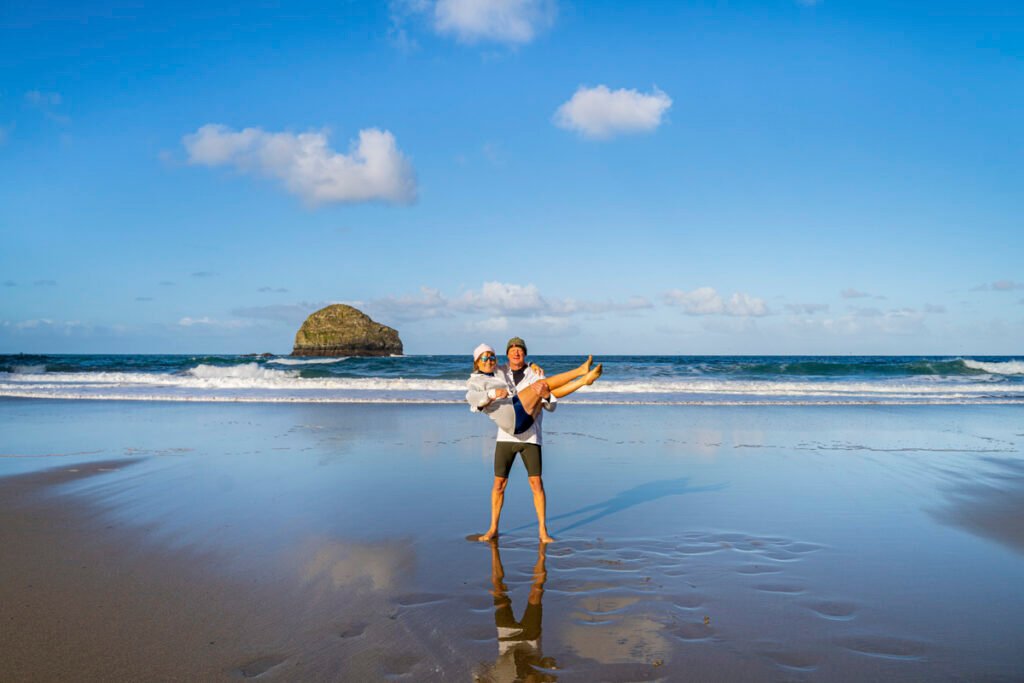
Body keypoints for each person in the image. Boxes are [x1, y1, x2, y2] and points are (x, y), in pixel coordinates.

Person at [468, 337, 601, 543]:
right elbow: (475, 396)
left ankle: (542, 531)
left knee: (536, 484)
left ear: (525, 353)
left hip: (530, 434)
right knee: (499, 484)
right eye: (512, 350)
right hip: (506, 436)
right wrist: (491, 394)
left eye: (520, 350)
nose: (516, 353)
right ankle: (493, 528)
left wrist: (546, 394)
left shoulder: (535, 373)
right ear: (506, 355)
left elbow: (551, 406)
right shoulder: (499, 371)